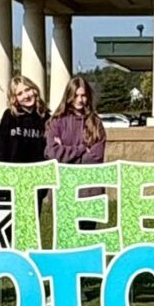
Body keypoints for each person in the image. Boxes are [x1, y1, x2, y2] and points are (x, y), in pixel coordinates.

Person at [47, 76, 108, 231]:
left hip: (90, 190)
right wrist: (81, 149)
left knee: (89, 238)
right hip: (64, 189)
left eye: (83, 95)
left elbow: (96, 157)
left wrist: (66, 153)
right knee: (66, 239)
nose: (80, 100)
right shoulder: (57, 121)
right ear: (69, 96)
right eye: (76, 95)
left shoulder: (96, 123)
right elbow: (53, 154)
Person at [0, 75, 50, 166]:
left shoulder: (45, 117)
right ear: (15, 98)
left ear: (34, 90)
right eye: (20, 94)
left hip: (38, 170)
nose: (26, 96)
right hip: (13, 169)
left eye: (28, 90)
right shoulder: (10, 116)